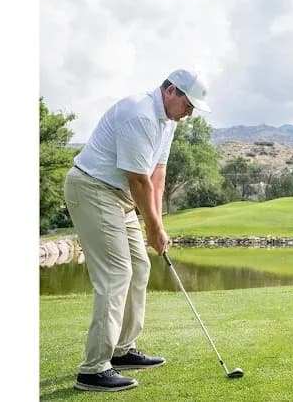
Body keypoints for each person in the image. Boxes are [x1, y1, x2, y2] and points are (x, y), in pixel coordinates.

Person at [63, 69, 211, 392]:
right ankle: (93, 369)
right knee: (117, 273)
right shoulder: (141, 114)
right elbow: (137, 181)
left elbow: (157, 176)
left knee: (140, 267)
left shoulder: (168, 123)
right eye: (188, 104)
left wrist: (159, 225)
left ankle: (121, 350)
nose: (190, 113)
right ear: (171, 91)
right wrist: (153, 228)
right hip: (92, 188)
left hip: (120, 196)